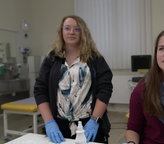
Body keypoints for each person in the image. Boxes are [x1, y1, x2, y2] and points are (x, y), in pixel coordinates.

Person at [34, 15, 113, 144]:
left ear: (83, 32)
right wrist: (49, 122)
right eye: (67, 28)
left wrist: (95, 120)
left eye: (77, 29)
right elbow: (40, 89)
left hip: (89, 125)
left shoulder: (95, 58)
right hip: (58, 127)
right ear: (61, 32)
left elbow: (105, 89)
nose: (71, 32)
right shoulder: (52, 58)